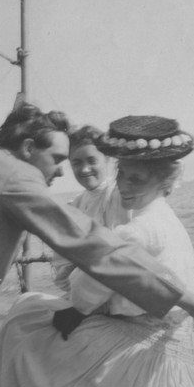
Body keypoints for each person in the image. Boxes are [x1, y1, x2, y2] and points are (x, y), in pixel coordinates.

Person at [0, 114, 194, 387]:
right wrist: (190, 302)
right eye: (59, 159)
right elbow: (89, 243)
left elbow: (95, 250)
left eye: (136, 179)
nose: (62, 171)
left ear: (164, 181)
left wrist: (187, 301)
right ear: (29, 148)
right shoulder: (16, 177)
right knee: (24, 320)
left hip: (152, 354)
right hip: (157, 339)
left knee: (21, 335)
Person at [53, 124, 129, 295]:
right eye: (77, 163)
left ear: (108, 159)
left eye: (92, 161)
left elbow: (124, 257)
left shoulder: (119, 196)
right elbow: (63, 262)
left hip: (119, 291)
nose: (85, 169)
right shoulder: (76, 205)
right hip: (88, 290)